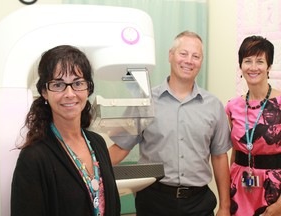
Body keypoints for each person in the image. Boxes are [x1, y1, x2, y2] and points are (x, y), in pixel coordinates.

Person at [109, 30, 232, 216]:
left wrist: (225, 206)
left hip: (198, 203)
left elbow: (220, 157)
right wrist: (85, 168)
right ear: (170, 55)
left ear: (201, 61)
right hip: (153, 200)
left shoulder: (213, 106)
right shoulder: (146, 101)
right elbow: (121, 147)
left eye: (196, 56)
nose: (189, 60)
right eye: (183, 53)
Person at [11, 45, 120, 216]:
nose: (70, 93)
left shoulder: (97, 143)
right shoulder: (34, 157)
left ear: (88, 89)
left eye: (77, 83)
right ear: (44, 92)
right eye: (59, 84)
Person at [225, 35, 281, 216]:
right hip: (239, 187)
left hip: (274, 189)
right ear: (241, 66)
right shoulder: (232, 107)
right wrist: (226, 197)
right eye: (247, 61)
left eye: (260, 61)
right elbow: (233, 153)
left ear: (269, 67)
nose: (253, 67)